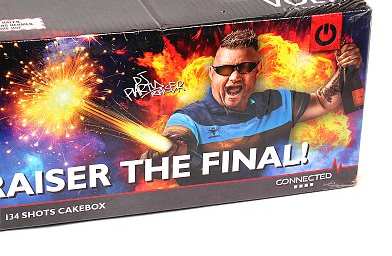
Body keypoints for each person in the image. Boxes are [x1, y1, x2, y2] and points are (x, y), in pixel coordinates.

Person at [143, 28, 362, 182]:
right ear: (212, 74)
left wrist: (347, 67)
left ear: (257, 71)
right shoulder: (189, 118)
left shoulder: (278, 103)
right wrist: (166, 150)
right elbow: (176, 135)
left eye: (245, 68)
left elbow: (323, 101)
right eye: (225, 70)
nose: (235, 77)